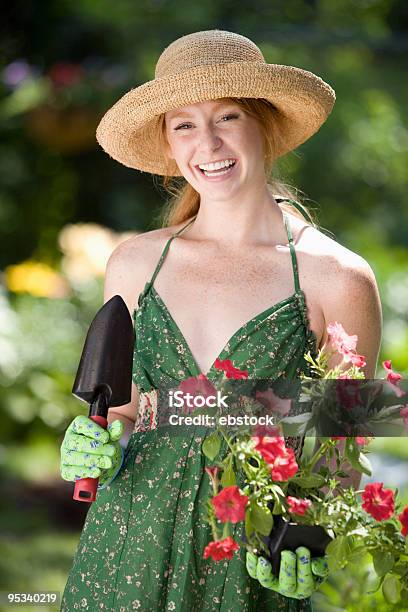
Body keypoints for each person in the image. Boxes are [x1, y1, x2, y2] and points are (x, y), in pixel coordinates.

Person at [60, 29, 382, 611]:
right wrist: (99, 445)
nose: (206, 141)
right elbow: (125, 411)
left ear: (267, 125)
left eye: (227, 116)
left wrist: (311, 545)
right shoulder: (135, 264)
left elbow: (342, 452)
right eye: (184, 124)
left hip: (251, 557)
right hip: (125, 546)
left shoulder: (339, 276)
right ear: (167, 141)